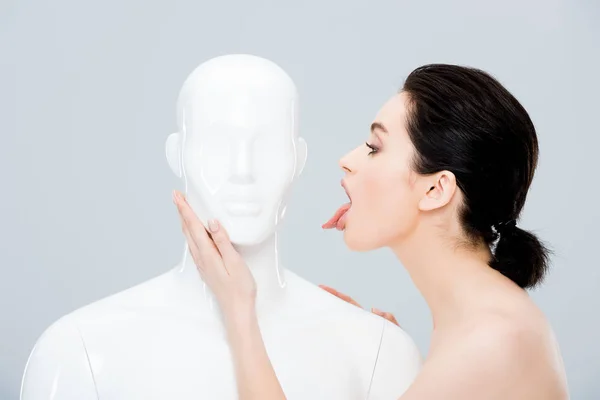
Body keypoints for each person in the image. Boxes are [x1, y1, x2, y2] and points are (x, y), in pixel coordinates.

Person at [173, 63, 570, 399]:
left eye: (374, 147)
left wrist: (239, 313)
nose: (347, 161)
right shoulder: (479, 325)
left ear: (436, 189)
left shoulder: (492, 340)